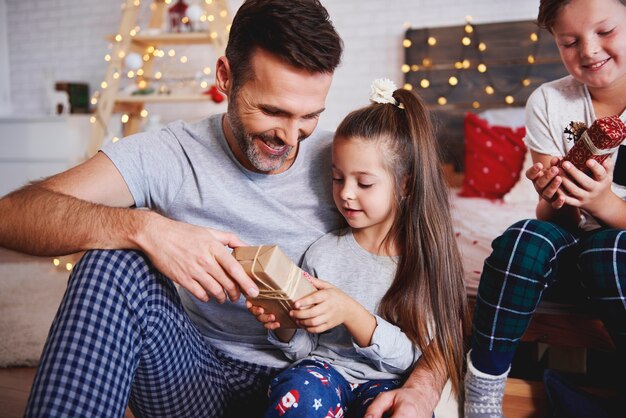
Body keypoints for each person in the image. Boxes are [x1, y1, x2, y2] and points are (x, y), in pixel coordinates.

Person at [0, 1, 446, 417]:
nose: (291, 138)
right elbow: (13, 215)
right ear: (225, 77)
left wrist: (425, 384)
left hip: (316, 383)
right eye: (272, 110)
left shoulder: (346, 165)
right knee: (110, 262)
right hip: (193, 373)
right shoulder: (168, 153)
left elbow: (434, 291)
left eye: (309, 116)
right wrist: (145, 228)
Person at [248, 80, 469, 418]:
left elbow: (413, 356)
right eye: (338, 179)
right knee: (298, 390)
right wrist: (283, 326)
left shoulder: (419, 263)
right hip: (322, 374)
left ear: (406, 183)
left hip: (385, 382)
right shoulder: (323, 253)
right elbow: (304, 351)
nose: (346, 193)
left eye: (364, 183)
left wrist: (352, 314)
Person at [464, 0, 626, 417]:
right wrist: (557, 197)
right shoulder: (550, 102)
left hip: (616, 261)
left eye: (605, 31)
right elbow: (555, 222)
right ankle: (482, 391)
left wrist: (604, 202)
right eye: (570, 42)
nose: (588, 51)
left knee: (606, 250)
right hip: (568, 257)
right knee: (524, 235)